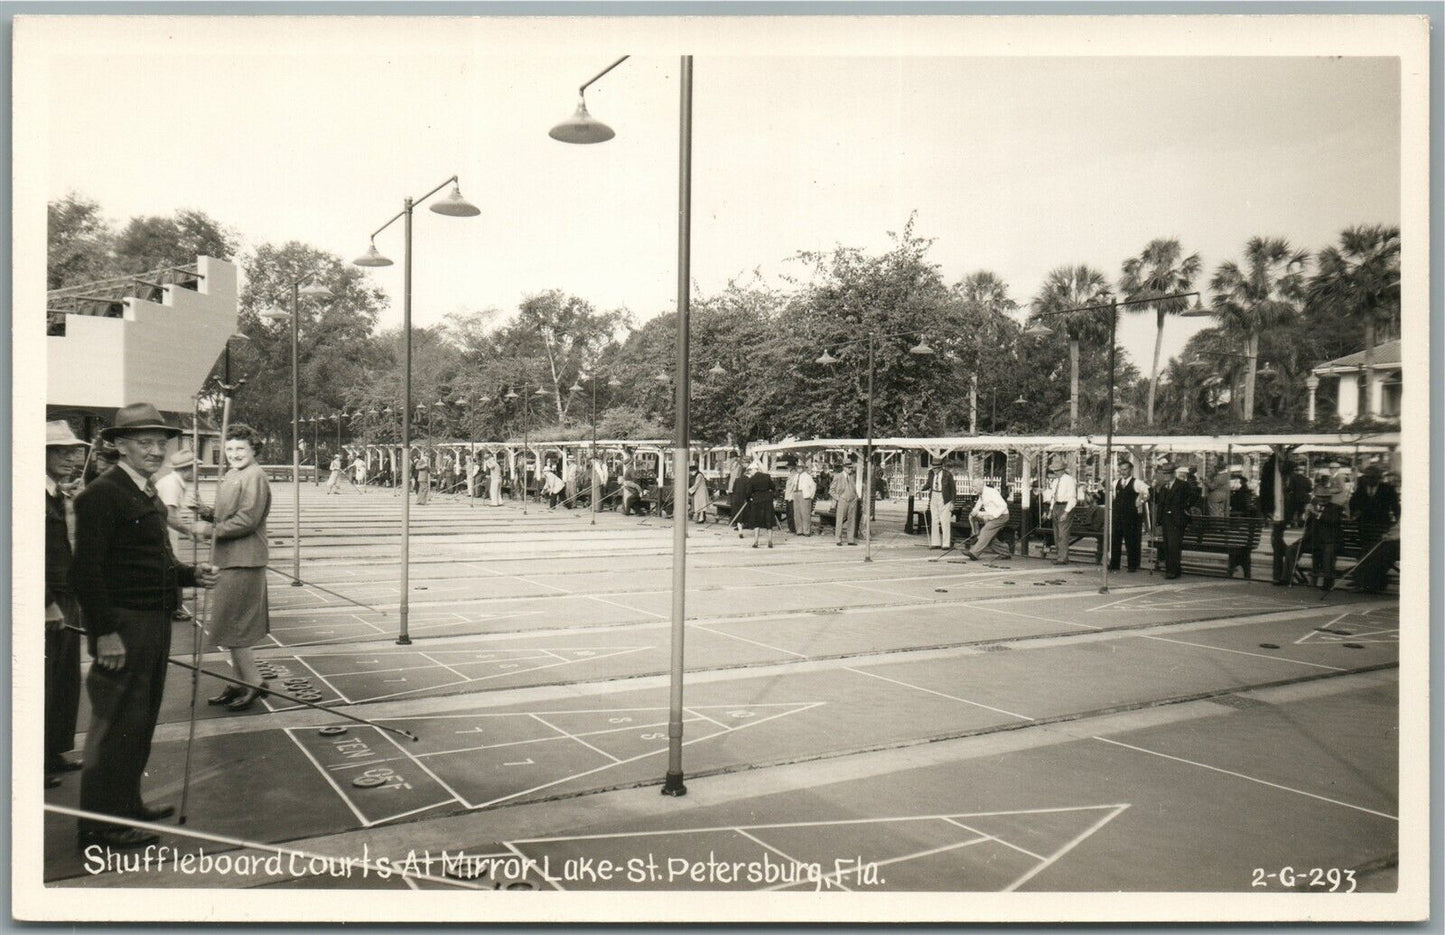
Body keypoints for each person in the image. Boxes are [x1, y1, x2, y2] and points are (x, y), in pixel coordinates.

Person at [69, 403, 219, 849]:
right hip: (124, 624)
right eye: (144, 443)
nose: (156, 451)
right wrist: (105, 633)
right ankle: (99, 823)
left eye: (161, 443)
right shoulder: (100, 494)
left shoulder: (145, 491)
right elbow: (86, 572)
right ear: (119, 446)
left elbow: (154, 561)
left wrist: (191, 576)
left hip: (153, 619)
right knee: (115, 722)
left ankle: (126, 804)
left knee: (140, 719)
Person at [190, 423, 273, 711]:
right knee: (228, 624)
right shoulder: (233, 474)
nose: (234, 453)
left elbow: (247, 520)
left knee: (236, 625)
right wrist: (207, 511)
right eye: (229, 448)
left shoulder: (255, 476)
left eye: (241, 448)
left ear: (253, 450)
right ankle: (240, 681)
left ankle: (253, 682)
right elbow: (229, 514)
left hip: (244, 559)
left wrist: (207, 530)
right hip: (228, 557)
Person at [45, 421, 89, 787]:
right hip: (47, 600)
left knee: (63, 680)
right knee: (42, 681)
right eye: (60, 451)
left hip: (65, 595)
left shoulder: (55, 493)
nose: (71, 458)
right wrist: (46, 603)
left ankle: (52, 751)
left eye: (72, 451)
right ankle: (33, 760)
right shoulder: (32, 493)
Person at [154, 448, 200, 622]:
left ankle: (175, 606)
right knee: (171, 567)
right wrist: (189, 531)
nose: (198, 471)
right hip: (164, 532)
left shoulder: (174, 482)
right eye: (196, 467)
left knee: (171, 566)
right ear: (187, 468)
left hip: (167, 532)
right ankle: (173, 608)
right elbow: (170, 516)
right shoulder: (171, 484)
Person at [1108, 460, 1150, 573]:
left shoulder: (1137, 483)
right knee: (1115, 540)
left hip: (1131, 517)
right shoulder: (1116, 482)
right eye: (1121, 469)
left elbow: (1147, 493)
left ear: (1130, 470)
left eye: (1125, 469)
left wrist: (1140, 502)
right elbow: (1111, 495)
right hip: (1118, 516)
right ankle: (1114, 564)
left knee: (1131, 541)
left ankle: (1133, 565)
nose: (1123, 472)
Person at [1156, 462, 1194, 579]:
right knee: (1167, 545)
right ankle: (1172, 569)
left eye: (1168, 473)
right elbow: (1160, 503)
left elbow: (1193, 497)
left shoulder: (1182, 485)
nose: (1166, 476)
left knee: (1174, 545)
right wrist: (1159, 520)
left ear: (1173, 473)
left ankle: (1172, 571)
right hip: (1166, 519)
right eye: (1164, 473)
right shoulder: (1163, 487)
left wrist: (1185, 508)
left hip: (1177, 519)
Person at [1043, 455, 1077, 564]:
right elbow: (1053, 496)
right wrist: (1050, 510)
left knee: (1063, 534)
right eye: (1054, 471)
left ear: (1062, 470)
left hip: (1065, 506)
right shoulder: (1055, 481)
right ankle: (1060, 555)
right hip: (1056, 506)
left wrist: (1066, 512)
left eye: (1057, 471)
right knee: (1056, 533)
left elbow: (1072, 498)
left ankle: (1062, 558)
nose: (1055, 473)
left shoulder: (1069, 480)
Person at [965, 479, 1011, 561]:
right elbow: (979, 503)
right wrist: (974, 511)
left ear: (980, 485)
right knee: (989, 538)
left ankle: (974, 553)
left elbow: (1003, 505)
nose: (973, 488)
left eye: (974, 486)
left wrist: (993, 516)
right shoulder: (982, 493)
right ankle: (1005, 552)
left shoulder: (991, 492)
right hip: (995, 517)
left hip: (1001, 516)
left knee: (986, 530)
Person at [1226, 470, 1259, 579]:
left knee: (1235, 540)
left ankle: (1232, 566)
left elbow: (1234, 503)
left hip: (1238, 515)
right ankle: (1244, 568)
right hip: (1244, 529)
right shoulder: (1247, 492)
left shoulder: (1240, 492)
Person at [740, 459, 776, 548]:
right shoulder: (767, 476)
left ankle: (756, 542)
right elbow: (773, 487)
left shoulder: (752, 479)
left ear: (754, 470)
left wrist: (748, 499)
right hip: (767, 500)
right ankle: (770, 541)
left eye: (750, 471)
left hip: (757, 501)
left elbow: (748, 492)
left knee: (757, 522)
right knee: (769, 521)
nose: (750, 473)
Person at [923, 460, 956, 551]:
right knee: (934, 520)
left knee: (945, 521)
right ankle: (935, 543)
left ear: (941, 467)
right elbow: (929, 484)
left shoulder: (947, 475)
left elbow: (953, 490)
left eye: (936, 468)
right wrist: (922, 488)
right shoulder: (931, 473)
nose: (934, 470)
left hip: (944, 497)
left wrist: (953, 502)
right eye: (933, 468)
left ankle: (946, 544)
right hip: (934, 496)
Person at [831, 461, 860, 547]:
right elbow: (831, 490)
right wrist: (838, 498)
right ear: (844, 468)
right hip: (843, 500)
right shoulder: (838, 476)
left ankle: (850, 540)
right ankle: (838, 539)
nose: (850, 469)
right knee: (840, 520)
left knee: (851, 520)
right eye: (849, 467)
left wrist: (856, 497)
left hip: (852, 501)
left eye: (851, 467)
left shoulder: (851, 477)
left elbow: (854, 488)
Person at [792, 461, 816, 537]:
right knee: (797, 513)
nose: (799, 469)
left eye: (800, 468)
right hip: (796, 493)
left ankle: (806, 531)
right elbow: (793, 485)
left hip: (804, 495)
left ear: (803, 468)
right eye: (798, 468)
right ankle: (799, 530)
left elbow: (813, 487)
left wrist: (810, 496)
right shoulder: (795, 476)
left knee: (805, 513)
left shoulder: (808, 476)